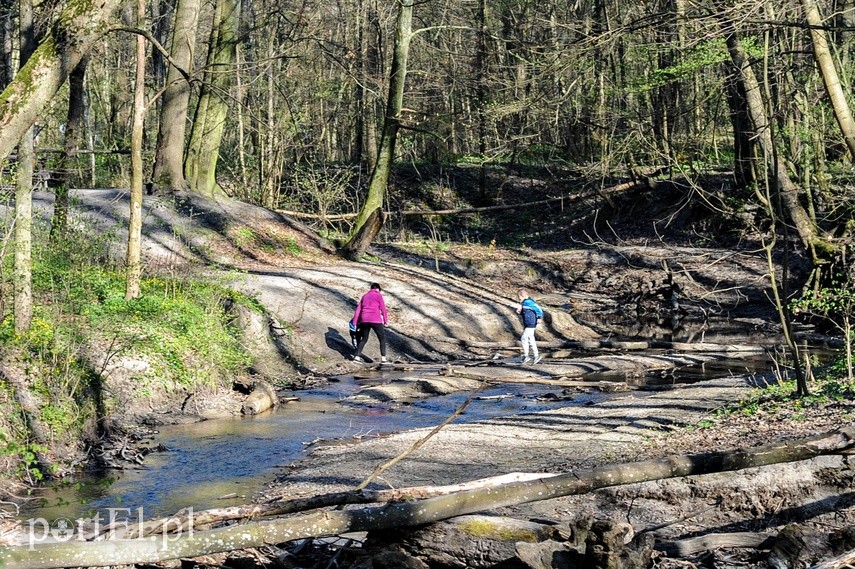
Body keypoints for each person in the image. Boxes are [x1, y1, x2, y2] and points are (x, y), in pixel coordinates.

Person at [351, 283, 389, 364]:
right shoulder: (378, 295)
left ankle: (357, 357)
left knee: (364, 338)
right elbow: (383, 309)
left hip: (364, 320)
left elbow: (358, 310)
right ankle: (383, 359)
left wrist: (355, 322)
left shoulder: (364, 296)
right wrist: (385, 321)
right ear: (378, 289)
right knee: (382, 338)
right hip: (376, 320)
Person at [516, 288, 543, 364]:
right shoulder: (524, 303)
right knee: (531, 339)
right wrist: (520, 312)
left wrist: (539, 317)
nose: (518, 299)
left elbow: (539, 309)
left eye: (519, 298)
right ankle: (536, 355)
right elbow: (527, 312)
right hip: (528, 323)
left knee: (524, 337)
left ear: (522, 296)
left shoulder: (529, 302)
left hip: (531, 323)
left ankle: (526, 356)